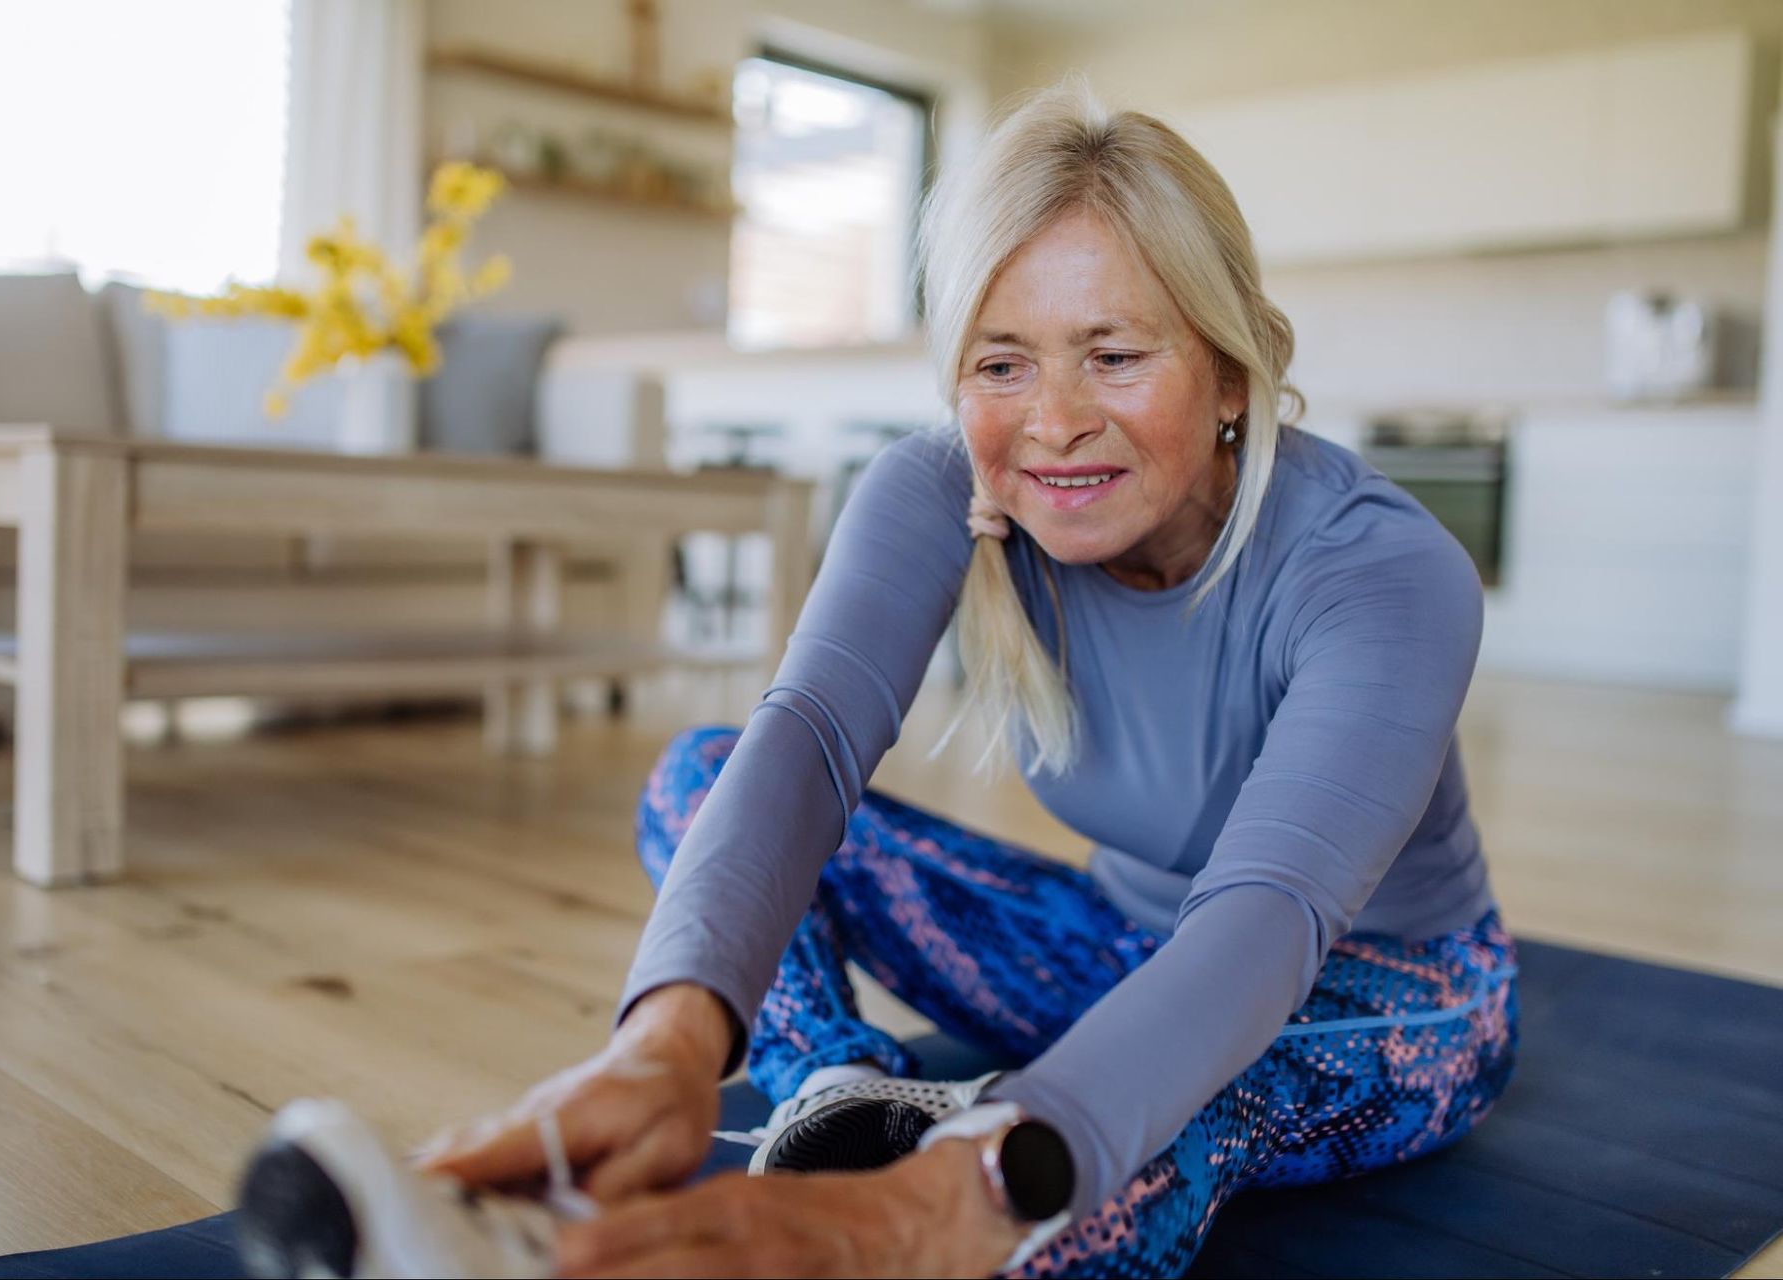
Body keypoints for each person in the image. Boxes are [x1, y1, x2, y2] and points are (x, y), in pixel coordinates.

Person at [416, 77, 1519, 1279]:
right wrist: (665, 1048)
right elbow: (810, 740)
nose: (1052, 421)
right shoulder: (939, 484)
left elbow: (1265, 920)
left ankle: (955, 1175)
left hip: (1385, 995)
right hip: (1112, 949)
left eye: (1113, 355)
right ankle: (842, 1105)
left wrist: (938, 1204)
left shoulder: (1384, 568)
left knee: (1152, 1111)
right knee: (709, 774)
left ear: (1233, 369)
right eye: (1002, 364)